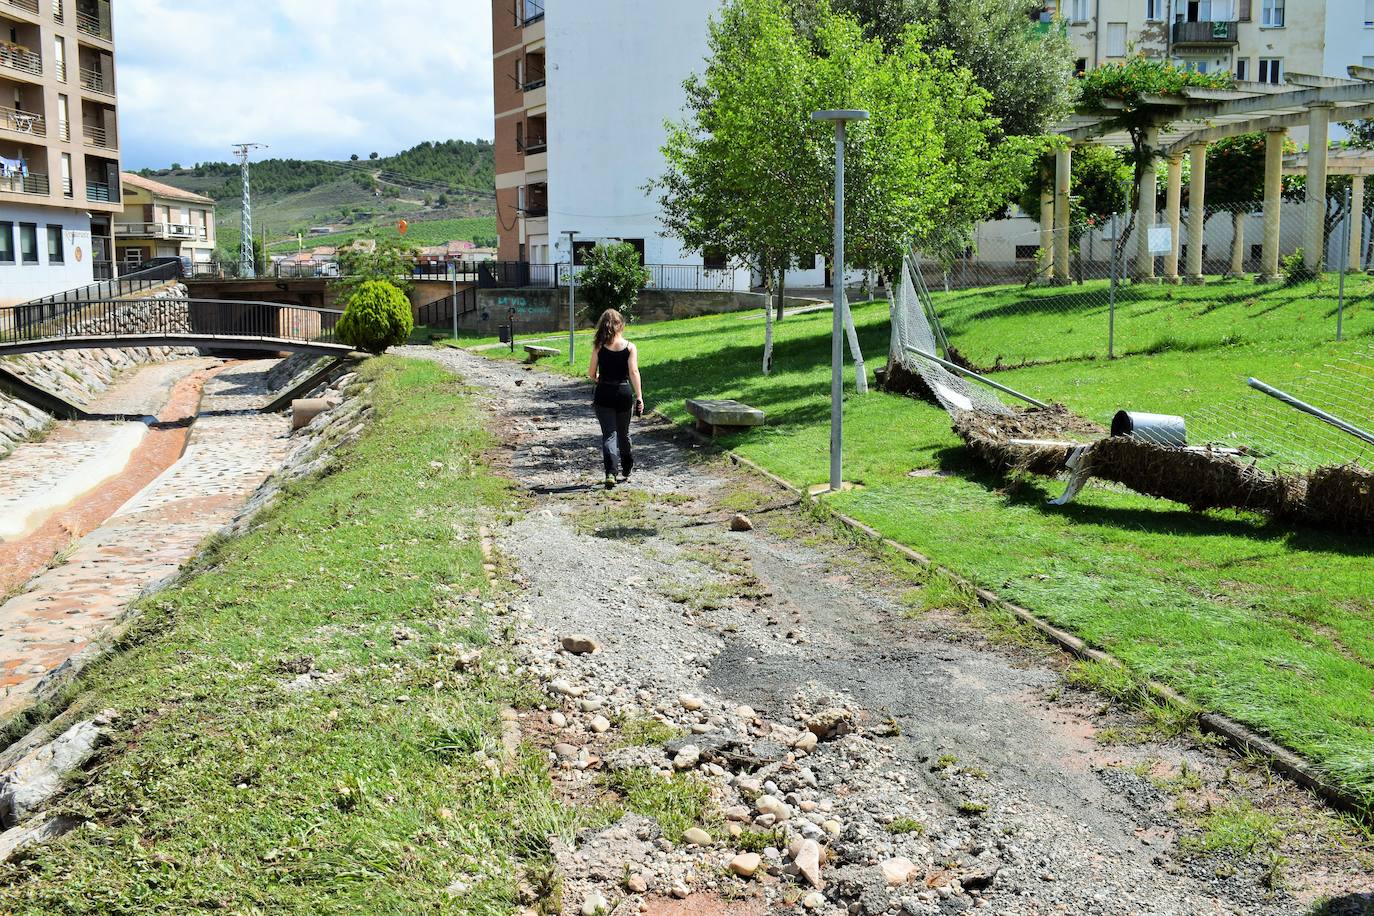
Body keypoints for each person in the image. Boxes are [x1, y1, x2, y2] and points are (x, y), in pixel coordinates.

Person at [587, 309, 644, 489]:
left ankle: (611, 473)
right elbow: (634, 372)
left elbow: (591, 373)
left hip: (604, 392)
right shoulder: (629, 347)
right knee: (623, 433)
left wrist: (598, 379)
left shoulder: (599, 346)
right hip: (623, 392)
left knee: (609, 435)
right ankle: (626, 466)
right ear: (620, 325)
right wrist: (640, 397)